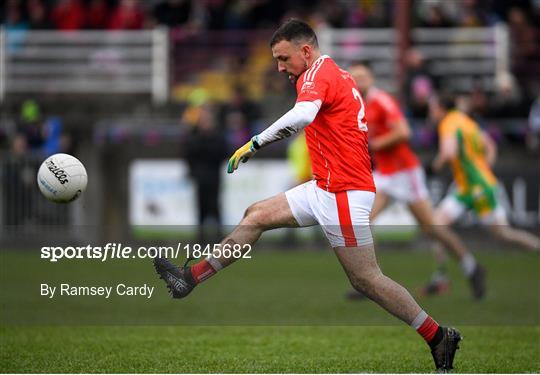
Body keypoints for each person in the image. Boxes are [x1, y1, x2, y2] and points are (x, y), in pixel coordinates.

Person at [154, 19, 461, 372]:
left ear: (306, 50)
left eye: (283, 58)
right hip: (324, 187)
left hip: (343, 192)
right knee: (256, 215)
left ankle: (439, 336)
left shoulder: (318, 74)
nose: (279, 67)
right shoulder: (329, 74)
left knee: (366, 280)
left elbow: (302, 115)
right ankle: (189, 279)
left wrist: (254, 143)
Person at [346, 63, 485, 299]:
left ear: (371, 78)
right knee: (361, 221)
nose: (359, 80)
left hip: (404, 172)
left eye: (363, 76)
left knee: (432, 228)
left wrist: (374, 145)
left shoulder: (382, 101)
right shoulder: (362, 103)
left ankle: (471, 266)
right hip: (385, 174)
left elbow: (403, 132)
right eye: (355, 76)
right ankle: (370, 280)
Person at [424, 94, 540, 292]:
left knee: (503, 234)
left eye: (432, 107)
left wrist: (433, 168)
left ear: (441, 108)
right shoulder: (467, 121)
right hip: (466, 186)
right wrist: (485, 170)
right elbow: (490, 146)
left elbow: (448, 152)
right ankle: (442, 276)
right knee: (436, 224)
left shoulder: (449, 123)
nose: (430, 112)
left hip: (476, 188)